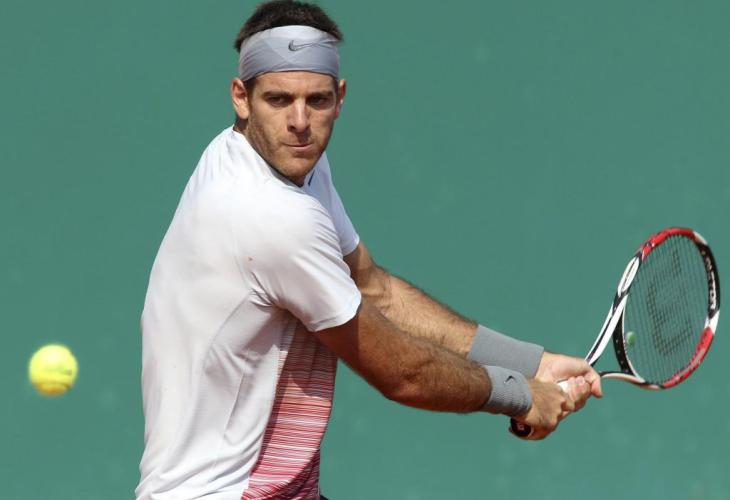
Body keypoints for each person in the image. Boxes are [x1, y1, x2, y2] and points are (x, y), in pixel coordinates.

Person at [135, 1, 602, 499]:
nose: (299, 121)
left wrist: (530, 364)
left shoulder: (274, 160)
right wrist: (519, 395)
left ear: (340, 98)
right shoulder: (268, 214)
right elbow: (405, 375)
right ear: (241, 97)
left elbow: (374, 288)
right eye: (278, 99)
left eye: (316, 100)